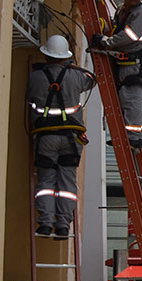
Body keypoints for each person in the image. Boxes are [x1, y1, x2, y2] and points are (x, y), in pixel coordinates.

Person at [26, 35, 95, 239]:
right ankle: (63, 225)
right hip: (71, 139)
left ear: (46, 56)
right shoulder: (75, 77)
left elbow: (30, 97)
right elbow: (92, 79)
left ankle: (45, 224)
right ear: (65, 57)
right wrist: (73, 67)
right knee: (67, 182)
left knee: (46, 180)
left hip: (45, 137)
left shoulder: (35, 77)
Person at [90, 0, 142, 148]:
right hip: (121, 64)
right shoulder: (122, 10)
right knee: (123, 100)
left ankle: (134, 137)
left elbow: (129, 36)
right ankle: (125, 136)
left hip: (134, 66)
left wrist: (106, 41)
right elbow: (117, 29)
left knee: (132, 100)